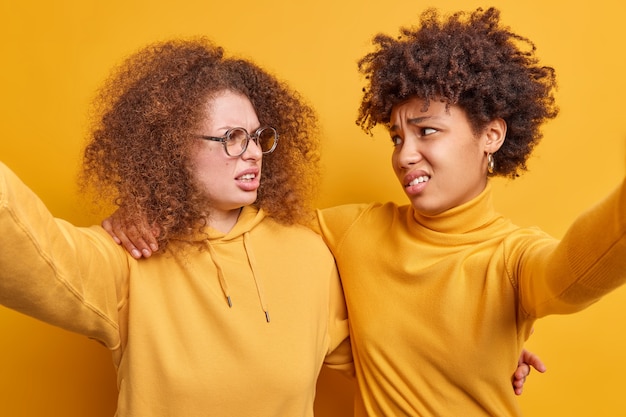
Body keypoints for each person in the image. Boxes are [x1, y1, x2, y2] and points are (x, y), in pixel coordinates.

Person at [104, 7, 626, 417]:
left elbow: (573, 274)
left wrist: (481, 350)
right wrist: (147, 208)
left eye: (427, 131)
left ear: (492, 134)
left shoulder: (513, 258)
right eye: (397, 136)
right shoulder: (353, 230)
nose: (404, 155)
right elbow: (237, 215)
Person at [0, 37, 353, 417]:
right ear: (172, 147)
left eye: (255, 136)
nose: (252, 151)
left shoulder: (309, 255)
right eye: (232, 137)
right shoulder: (132, 254)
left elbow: (390, 358)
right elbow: (34, 251)